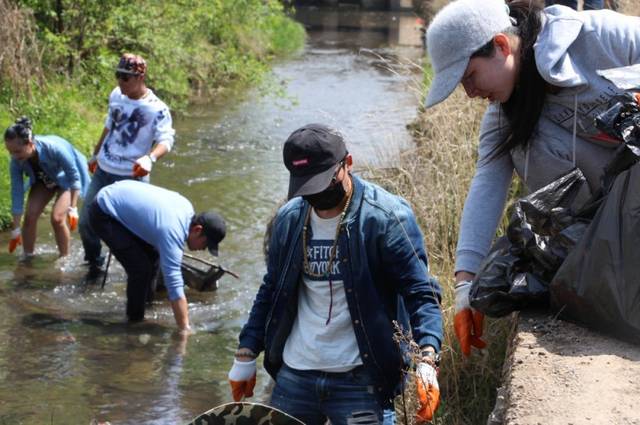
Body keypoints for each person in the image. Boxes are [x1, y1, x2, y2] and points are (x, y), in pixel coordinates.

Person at [424, 0, 640, 356]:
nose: (470, 93)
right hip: (610, 221)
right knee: (530, 144)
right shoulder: (503, 117)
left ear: (501, 45)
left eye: (470, 76)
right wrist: (465, 286)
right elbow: (487, 185)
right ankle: (589, 254)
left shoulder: (591, 38)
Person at [227, 124, 443, 424]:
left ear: (347, 164)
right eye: (307, 186)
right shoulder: (289, 220)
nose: (316, 195)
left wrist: (427, 358)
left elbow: (420, 293)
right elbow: (271, 288)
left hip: (361, 381)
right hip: (295, 376)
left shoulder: (386, 219)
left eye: (323, 182)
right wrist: (247, 351)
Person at [79, 53, 175, 278]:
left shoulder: (157, 109)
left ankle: (145, 273)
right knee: (85, 223)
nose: (120, 82)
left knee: (134, 232)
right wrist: (95, 155)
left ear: (140, 78)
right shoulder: (116, 95)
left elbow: (166, 141)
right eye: (118, 76)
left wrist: (149, 158)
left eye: (125, 78)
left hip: (133, 177)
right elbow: (109, 126)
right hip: (104, 171)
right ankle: (95, 263)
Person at [87, 180, 226, 332]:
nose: (203, 249)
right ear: (197, 230)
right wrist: (184, 329)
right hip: (104, 211)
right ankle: (134, 323)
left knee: (153, 258)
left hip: (117, 195)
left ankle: (146, 305)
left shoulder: (187, 208)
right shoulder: (172, 232)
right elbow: (174, 285)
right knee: (140, 269)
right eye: (205, 244)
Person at [4, 116, 90, 258]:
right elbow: (17, 192)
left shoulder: (55, 148)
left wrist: (73, 208)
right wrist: (15, 229)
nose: (13, 156)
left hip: (65, 180)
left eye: (17, 151)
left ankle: (64, 258)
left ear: (30, 144)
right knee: (30, 216)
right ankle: (27, 258)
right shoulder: (16, 161)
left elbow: (74, 177)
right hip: (43, 181)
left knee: (57, 218)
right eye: (10, 151)